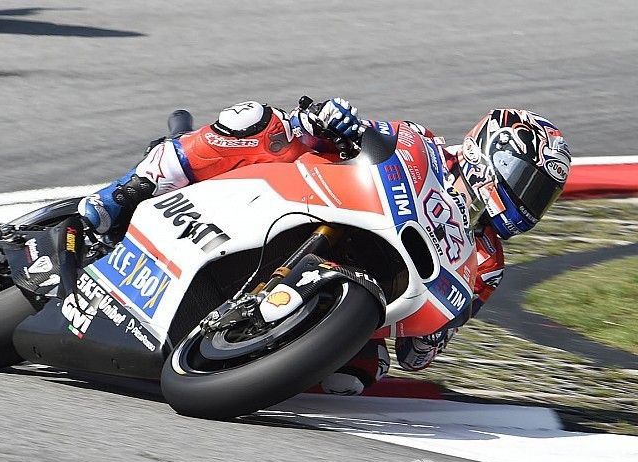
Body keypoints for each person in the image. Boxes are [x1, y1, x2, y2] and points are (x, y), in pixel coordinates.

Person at [79, 99, 572, 395]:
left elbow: (415, 358)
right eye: (526, 182)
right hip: (306, 204)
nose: (529, 201)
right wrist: (331, 120)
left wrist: (433, 336)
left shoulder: (486, 264)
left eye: (540, 195)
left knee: (360, 373)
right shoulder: (423, 145)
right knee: (259, 121)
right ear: (494, 152)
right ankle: (129, 188)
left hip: (362, 288)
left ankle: (247, 355)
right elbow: (356, 139)